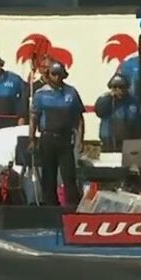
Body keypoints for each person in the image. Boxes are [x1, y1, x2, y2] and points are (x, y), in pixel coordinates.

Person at [28, 62, 84, 206]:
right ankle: (50, 206)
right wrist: (32, 139)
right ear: (49, 75)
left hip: (65, 138)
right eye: (54, 73)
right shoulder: (40, 94)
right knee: (49, 175)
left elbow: (79, 119)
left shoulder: (71, 92)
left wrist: (80, 140)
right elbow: (34, 118)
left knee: (69, 175)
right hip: (47, 138)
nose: (57, 77)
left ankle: (73, 207)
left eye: (59, 74)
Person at [93, 73, 141, 153]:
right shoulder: (104, 100)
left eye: (121, 87)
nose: (118, 90)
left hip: (129, 143)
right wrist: (109, 98)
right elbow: (99, 112)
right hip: (108, 142)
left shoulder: (133, 102)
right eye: (115, 87)